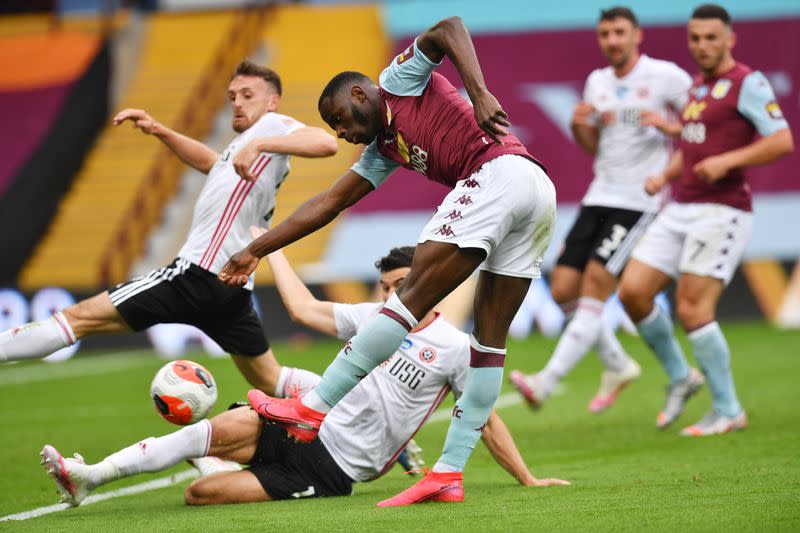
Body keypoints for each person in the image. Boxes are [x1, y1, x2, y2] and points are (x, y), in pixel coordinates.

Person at [218, 16, 557, 506]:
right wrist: (257, 248)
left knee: (410, 297)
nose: (342, 134)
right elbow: (328, 203)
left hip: (498, 172)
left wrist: (479, 92)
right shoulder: (383, 149)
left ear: (360, 95)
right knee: (487, 341)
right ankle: (448, 473)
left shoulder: (396, 81)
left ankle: (312, 409)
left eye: (340, 120)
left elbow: (449, 28)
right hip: (535, 191)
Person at [41, 245, 567, 507]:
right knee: (199, 433)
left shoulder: (453, 349)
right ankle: (90, 476)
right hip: (305, 424)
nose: (391, 295)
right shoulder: (372, 318)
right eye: (385, 286)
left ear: (428, 283)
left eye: (401, 284)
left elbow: (485, 419)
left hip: (336, 469)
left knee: (199, 497)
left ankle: (213, 463)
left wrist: (527, 477)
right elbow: (300, 308)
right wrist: (275, 251)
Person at [0, 60, 338, 396]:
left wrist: (260, 144)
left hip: (195, 275)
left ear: (272, 101)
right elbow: (213, 162)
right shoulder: (246, 146)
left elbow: (326, 143)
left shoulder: (273, 128)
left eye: (247, 95)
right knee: (271, 379)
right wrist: (160, 130)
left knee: (77, 318)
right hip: (231, 288)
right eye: (233, 95)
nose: (237, 102)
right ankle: (353, 401)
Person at [617, 4, 793, 435]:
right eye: (695, 38)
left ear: (730, 39)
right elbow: (696, 145)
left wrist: (730, 160)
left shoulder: (746, 82)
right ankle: (681, 377)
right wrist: (665, 174)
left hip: (722, 210)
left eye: (712, 38)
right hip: (681, 206)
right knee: (633, 292)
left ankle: (729, 409)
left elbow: (783, 139)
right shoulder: (698, 88)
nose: (703, 46)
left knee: (693, 309)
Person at [509, 7, 691, 413]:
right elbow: (595, 147)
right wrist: (579, 126)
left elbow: (702, 130)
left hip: (641, 201)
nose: (612, 40)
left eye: (619, 32)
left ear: (636, 36)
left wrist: (669, 127)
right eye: (605, 34)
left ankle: (545, 380)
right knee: (562, 290)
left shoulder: (667, 77)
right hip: (600, 195)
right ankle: (617, 364)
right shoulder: (597, 82)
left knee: (594, 284)